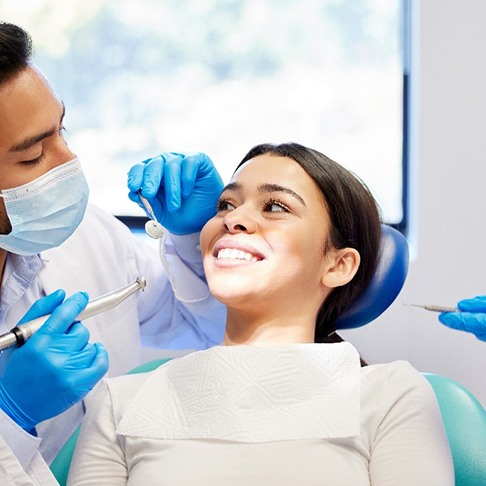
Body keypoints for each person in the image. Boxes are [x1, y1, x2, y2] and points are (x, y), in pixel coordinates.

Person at [68, 142, 454, 485]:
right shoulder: (121, 401)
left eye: (275, 206)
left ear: (338, 265)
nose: (231, 220)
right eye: (226, 205)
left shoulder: (389, 394)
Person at [0, 22, 226, 484]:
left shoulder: (87, 234)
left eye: (62, 131)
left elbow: (201, 326)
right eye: (32, 156)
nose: (70, 163)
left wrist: (195, 239)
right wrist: (9, 416)